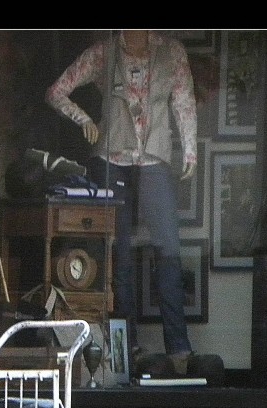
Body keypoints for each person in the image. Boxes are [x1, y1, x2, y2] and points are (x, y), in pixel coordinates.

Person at [46, 30, 197, 374]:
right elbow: (56, 92)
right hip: (111, 158)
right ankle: (127, 348)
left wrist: (190, 149)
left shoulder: (171, 53)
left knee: (168, 250)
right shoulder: (104, 54)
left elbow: (183, 100)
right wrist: (84, 119)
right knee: (119, 254)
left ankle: (179, 348)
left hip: (156, 159)